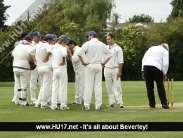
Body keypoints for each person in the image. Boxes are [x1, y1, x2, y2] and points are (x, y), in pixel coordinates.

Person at [78, 31, 112, 110]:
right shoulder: (101, 44)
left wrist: (83, 62)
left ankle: (86, 105)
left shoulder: (88, 44)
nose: (88, 38)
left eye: (88, 36)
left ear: (91, 35)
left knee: (88, 86)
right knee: (98, 86)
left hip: (90, 65)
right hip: (98, 66)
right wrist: (103, 63)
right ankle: (98, 106)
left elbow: (79, 53)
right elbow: (110, 54)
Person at [142, 43, 169, 109]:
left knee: (149, 86)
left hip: (146, 66)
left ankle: (152, 104)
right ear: (166, 48)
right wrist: (164, 73)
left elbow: (144, 59)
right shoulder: (165, 51)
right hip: (156, 66)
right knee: (160, 84)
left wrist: (143, 71)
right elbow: (165, 63)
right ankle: (164, 103)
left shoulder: (151, 48)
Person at [29, 34, 53, 109]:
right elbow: (49, 52)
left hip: (39, 67)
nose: (52, 42)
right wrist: (46, 57)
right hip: (46, 67)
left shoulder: (38, 45)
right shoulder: (47, 45)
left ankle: (38, 102)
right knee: (46, 86)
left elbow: (29, 52)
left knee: (43, 85)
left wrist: (35, 59)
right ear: (49, 40)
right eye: (52, 40)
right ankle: (43, 103)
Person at [103, 34, 124, 108]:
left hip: (115, 69)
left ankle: (120, 102)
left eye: (109, 39)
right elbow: (103, 59)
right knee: (109, 87)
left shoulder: (118, 48)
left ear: (113, 39)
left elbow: (121, 61)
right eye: (107, 39)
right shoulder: (105, 48)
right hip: (107, 68)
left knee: (117, 86)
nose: (107, 40)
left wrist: (119, 71)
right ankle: (111, 102)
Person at [12, 35, 33, 106]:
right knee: (24, 86)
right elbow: (30, 58)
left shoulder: (17, 46)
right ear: (30, 41)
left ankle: (17, 100)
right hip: (24, 68)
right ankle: (23, 101)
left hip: (15, 67)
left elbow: (13, 55)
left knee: (17, 84)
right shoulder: (29, 47)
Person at [50, 36, 68, 110]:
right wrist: (63, 61)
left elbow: (50, 57)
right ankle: (63, 105)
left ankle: (53, 105)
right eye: (66, 42)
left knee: (54, 87)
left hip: (55, 69)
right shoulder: (63, 48)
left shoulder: (53, 48)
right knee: (62, 87)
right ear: (63, 42)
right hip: (61, 69)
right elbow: (64, 54)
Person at [67, 39, 85, 105]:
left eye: (68, 45)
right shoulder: (76, 50)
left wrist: (69, 53)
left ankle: (79, 100)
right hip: (79, 69)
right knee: (78, 85)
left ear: (72, 44)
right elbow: (73, 59)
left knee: (79, 85)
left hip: (80, 69)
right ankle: (80, 99)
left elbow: (74, 59)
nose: (68, 46)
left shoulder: (78, 50)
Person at [29, 31, 42, 104]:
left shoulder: (41, 44)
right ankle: (33, 99)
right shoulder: (31, 45)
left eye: (39, 36)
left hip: (41, 65)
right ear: (33, 37)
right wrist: (35, 61)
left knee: (42, 83)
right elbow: (30, 54)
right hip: (34, 66)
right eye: (37, 36)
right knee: (33, 83)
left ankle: (41, 98)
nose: (39, 38)